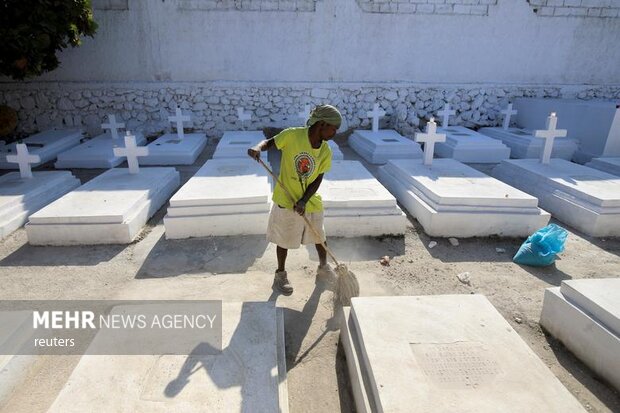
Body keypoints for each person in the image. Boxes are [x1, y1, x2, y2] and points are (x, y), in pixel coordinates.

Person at [247, 104, 342, 295]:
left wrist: (304, 200)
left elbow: (317, 178)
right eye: (333, 128)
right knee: (284, 238)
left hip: (309, 198)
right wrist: (258, 147)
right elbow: (270, 143)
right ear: (322, 124)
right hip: (287, 196)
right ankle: (280, 274)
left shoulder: (325, 151)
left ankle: (323, 268)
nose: (335, 132)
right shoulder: (292, 135)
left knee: (319, 236)